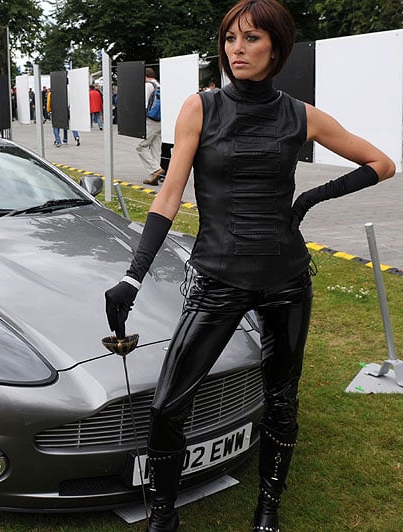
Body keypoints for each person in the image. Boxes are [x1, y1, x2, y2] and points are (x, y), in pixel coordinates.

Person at [103, 1, 396, 531]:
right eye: (231, 38)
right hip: (217, 279)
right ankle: (163, 516)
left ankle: (267, 512)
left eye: (253, 39)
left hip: (286, 280)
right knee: (169, 404)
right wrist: (133, 275)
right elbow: (169, 195)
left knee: (283, 399)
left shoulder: (302, 115)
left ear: (276, 48)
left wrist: (307, 203)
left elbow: (382, 164)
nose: (238, 49)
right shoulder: (201, 107)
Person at [139, 67, 164, 186]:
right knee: (156, 149)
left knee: (141, 147)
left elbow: (143, 104)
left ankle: (155, 170)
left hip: (151, 119)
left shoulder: (148, 86)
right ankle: (154, 177)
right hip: (161, 120)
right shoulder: (160, 85)